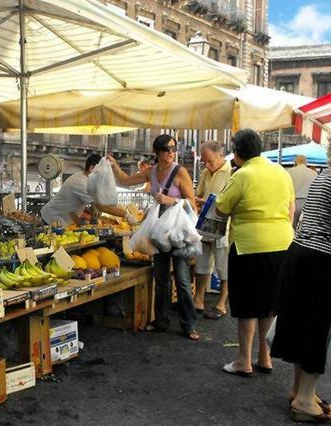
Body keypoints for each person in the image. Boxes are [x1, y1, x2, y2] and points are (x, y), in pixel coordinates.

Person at [271, 129, 331, 423]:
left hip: (299, 253)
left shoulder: (328, 173)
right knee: (316, 328)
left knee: (302, 324)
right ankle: (303, 401)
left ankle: (302, 391)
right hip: (320, 261)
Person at [215, 129, 295, 377]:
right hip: (282, 244)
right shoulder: (281, 171)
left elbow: (220, 208)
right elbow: (291, 209)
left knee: (248, 304)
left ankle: (243, 361)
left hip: (250, 246)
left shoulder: (242, 174)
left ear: (237, 151)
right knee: (269, 304)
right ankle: (265, 356)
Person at [109, 134, 200, 341]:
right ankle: (161, 321)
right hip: (158, 231)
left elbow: (192, 203)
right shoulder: (151, 172)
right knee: (161, 279)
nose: (171, 152)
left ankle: (189, 324)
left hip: (176, 231)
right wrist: (114, 165)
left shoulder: (180, 172)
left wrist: (171, 200)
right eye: (167, 148)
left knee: (182, 279)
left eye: (173, 148)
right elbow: (125, 180)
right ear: (158, 152)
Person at [193, 142, 232, 320]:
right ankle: (198, 299)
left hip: (223, 226)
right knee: (202, 263)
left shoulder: (231, 173)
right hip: (204, 225)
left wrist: (203, 202)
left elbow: (228, 201)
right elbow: (199, 193)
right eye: (205, 162)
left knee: (223, 267)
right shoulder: (205, 172)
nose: (208, 165)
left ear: (221, 156)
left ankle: (221, 304)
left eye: (210, 161)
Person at [40, 154, 127, 227]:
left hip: (64, 219)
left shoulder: (85, 178)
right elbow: (103, 206)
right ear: (92, 168)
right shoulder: (82, 183)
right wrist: (126, 215)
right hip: (51, 219)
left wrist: (89, 211)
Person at [287, 155, 318, 229]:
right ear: (306, 163)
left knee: (291, 228)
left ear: (295, 162)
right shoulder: (314, 173)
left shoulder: (289, 172)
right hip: (308, 204)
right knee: (305, 228)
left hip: (293, 202)